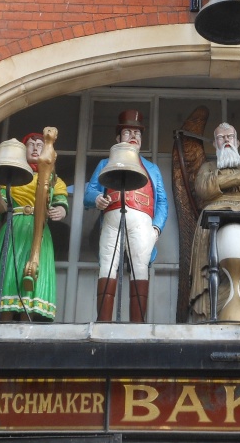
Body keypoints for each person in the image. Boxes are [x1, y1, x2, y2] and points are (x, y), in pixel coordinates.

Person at [188, 95, 240, 323]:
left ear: (238, 141)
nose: (226, 140)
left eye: (230, 137)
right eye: (221, 138)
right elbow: (204, 189)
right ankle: (209, 317)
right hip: (211, 226)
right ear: (214, 144)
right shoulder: (208, 167)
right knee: (212, 274)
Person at [84, 110, 168, 322]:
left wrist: (156, 228)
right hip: (112, 221)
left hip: (142, 223)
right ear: (118, 138)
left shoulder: (152, 168)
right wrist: (96, 199)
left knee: (140, 268)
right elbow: (90, 191)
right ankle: (103, 320)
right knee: (107, 266)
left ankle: (138, 322)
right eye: (128, 132)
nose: (133, 136)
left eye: (137, 133)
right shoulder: (105, 164)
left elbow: (162, 202)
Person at [0, 128, 68, 321]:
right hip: (15, 226)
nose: (35, 149)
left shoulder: (54, 180)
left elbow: (60, 202)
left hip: (39, 230)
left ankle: (28, 320)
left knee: (34, 273)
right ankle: (5, 317)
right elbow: (0, 209)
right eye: (31, 146)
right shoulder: (12, 177)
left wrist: (61, 210)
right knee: (10, 270)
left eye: (40, 146)